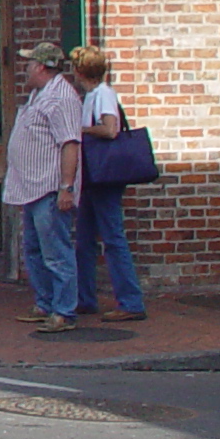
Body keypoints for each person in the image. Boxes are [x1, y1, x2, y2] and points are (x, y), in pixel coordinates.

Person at [6, 41, 85, 333]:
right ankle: (46, 302)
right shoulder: (39, 94)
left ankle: (64, 311)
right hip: (31, 186)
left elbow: (70, 144)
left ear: (40, 66)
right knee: (35, 249)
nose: (25, 68)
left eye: (29, 63)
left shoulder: (62, 98)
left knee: (56, 252)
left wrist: (66, 187)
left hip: (49, 187)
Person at [69, 44, 146, 322]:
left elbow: (111, 129)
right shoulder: (92, 94)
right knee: (85, 240)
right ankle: (85, 298)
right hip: (94, 177)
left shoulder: (102, 95)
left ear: (80, 71)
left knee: (113, 238)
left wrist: (81, 130)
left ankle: (130, 301)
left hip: (103, 176)